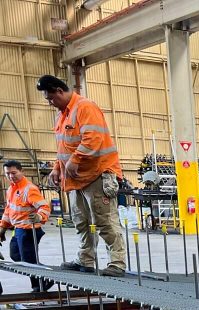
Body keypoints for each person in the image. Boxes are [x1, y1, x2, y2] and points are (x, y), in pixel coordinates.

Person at [36, 74, 127, 276]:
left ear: (59, 91)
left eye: (51, 98)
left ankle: (117, 263)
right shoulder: (62, 115)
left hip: (97, 174)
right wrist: (57, 167)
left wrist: (74, 161)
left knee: (104, 221)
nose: (50, 103)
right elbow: (64, 146)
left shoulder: (85, 107)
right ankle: (85, 260)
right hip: (75, 178)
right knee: (81, 222)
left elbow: (93, 139)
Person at [1, 160, 51, 295]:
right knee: (15, 255)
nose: (11, 176)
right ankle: (46, 276)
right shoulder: (11, 189)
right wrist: (3, 228)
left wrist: (39, 216)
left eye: (13, 173)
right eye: (7, 173)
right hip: (18, 229)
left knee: (28, 261)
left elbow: (44, 207)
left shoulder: (29, 189)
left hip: (30, 230)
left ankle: (40, 285)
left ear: (21, 171)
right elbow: (8, 210)